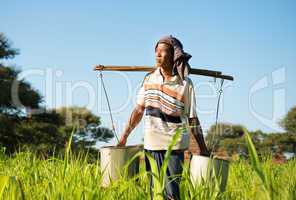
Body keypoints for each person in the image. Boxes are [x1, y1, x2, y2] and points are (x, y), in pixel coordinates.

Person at [117, 35, 210, 200]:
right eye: (156, 51)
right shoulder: (149, 79)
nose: (157, 55)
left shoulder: (185, 84)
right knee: (156, 194)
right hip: (151, 144)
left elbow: (193, 119)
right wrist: (124, 136)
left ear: (174, 56)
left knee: (172, 194)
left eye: (163, 51)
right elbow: (138, 110)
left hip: (174, 146)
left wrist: (203, 148)